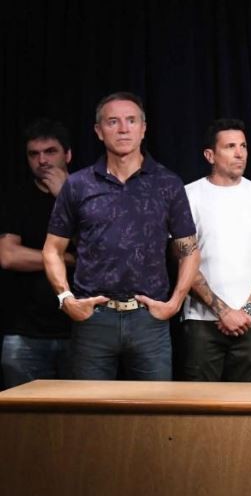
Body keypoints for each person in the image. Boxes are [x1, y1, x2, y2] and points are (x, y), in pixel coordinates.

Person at [42, 92, 200, 380]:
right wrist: (66, 299)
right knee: (89, 407)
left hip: (149, 320)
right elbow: (52, 249)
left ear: (143, 128)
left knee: (153, 407)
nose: (123, 129)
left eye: (131, 120)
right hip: (93, 319)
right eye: (113, 122)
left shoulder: (167, 183)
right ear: (98, 131)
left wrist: (175, 303)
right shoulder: (78, 184)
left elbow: (189, 249)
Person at [181, 120, 251, 381]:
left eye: (243, 146)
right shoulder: (188, 195)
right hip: (201, 321)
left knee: (250, 403)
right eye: (230, 147)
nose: (240, 153)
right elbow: (183, 262)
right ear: (210, 155)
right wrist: (224, 312)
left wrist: (246, 311)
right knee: (199, 401)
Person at [0, 120, 75, 387]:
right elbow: (8, 256)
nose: (42, 160)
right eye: (34, 154)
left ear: (67, 154)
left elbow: (98, 252)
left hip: (81, 332)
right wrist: (67, 258)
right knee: (25, 413)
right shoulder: (16, 198)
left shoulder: (89, 194)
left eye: (50, 151)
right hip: (24, 332)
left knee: (82, 412)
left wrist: (65, 198)